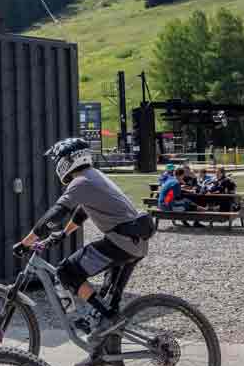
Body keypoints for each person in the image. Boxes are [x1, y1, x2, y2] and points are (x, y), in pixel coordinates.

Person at [17, 137, 156, 339]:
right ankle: (104, 351)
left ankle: (109, 319)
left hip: (120, 243)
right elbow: (83, 212)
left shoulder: (81, 182)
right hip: (136, 244)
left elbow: (55, 214)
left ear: (68, 160)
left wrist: (25, 242)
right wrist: (64, 233)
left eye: (58, 160)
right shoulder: (94, 175)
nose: (57, 164)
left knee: (66, 272)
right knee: (107, 299)